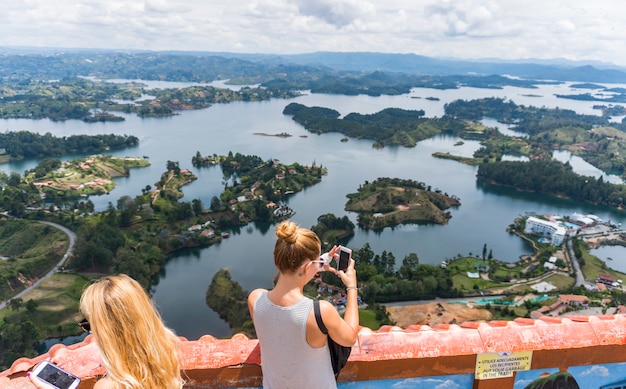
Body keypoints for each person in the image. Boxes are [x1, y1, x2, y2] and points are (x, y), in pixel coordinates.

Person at [248, 221, 359, 389]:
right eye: (316, 262)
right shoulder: (319, 312)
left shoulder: (255, 299)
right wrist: (351, 286)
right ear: (307, 267)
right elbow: (349, 337)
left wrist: (321, 262)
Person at [29, 274, 183, 389]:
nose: (91, 334)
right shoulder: (168, 348)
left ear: (108, 333)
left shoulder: (108, 385)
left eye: (89, 326)